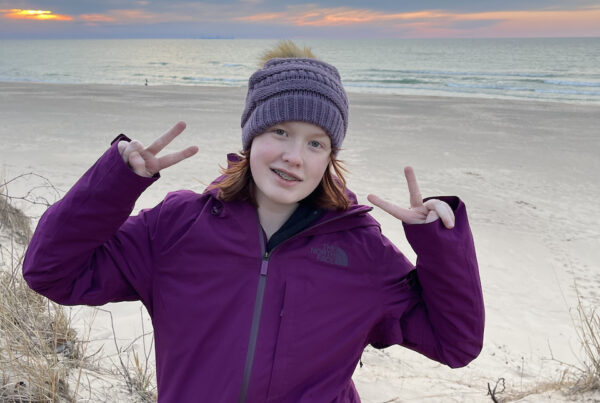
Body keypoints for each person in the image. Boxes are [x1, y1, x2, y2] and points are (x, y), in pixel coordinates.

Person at [23, 42, 484, 402]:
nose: (292, 156)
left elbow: (456, 343)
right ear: (251, 136)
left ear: (330, 157)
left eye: (315, 143)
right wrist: (116, 181)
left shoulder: (361, 252)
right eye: (279, 132)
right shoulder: (177, 227)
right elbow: (51, 271)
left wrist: (439, 245)